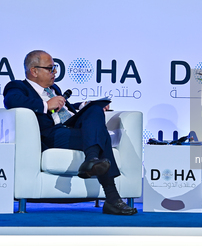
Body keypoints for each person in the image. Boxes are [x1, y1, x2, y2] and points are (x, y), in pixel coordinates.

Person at [3, 50, 137, 215]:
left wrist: (83, 105)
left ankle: (91, 159)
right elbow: (12, 100)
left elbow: (66, 109)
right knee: (101, 135)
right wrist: (46, 105)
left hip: (71, 127)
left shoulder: (54, 88)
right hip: (51, 134)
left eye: (55, 68)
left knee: (95, 109)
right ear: (34, 71)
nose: (55, 72)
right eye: (50, 68)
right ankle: (112, 197)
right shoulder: (18, 86)